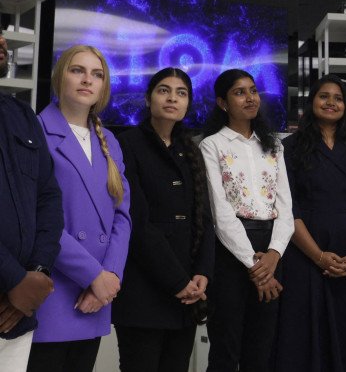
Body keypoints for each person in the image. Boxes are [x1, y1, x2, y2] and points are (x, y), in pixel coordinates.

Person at [275, 73, 346, 371]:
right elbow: (288, 210)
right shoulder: (291, 148)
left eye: (338, 98)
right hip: (305, 256)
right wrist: (320, 257)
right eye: (324, 96)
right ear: (311, 103)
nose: (331, 103)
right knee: (307, 338)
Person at [30, 45, 131, 372]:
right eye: (78, 70)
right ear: (61, 76)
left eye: (97, 74)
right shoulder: (34, 132)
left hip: (99, 294)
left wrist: (110, 277)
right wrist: (92, 275)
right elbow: (34, 217)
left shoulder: (110, 141)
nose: (87, 79)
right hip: (52, 289)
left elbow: (122, 216)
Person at [112, 68, 214, 372]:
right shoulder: (126, 144)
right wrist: (178, 280)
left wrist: (202, 274)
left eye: (181, 93)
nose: (172, 98)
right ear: (148, 98)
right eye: (163, 90)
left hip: (187, 294)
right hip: (144, 290)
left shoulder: (191, 149)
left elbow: (204, 218)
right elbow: (137, 222)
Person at [200, 69, 293, 372]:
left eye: (252, 90)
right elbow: (220, 212)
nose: (250, 97)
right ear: (222, 103)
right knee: (226, 347)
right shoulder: (211, 145)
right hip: (231, 253)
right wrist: (254, 264)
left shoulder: (274, 145)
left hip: (272, 251)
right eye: (239, 92)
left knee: (262, 347)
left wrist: (274, 255)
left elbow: (286, 208)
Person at [0, 35, 62, 372]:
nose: (2, 40)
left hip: (18, 314)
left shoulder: (22, 114)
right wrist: (14, 279)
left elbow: (48, 196)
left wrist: (36, 275)